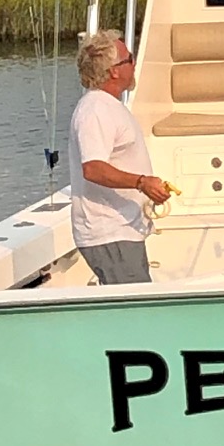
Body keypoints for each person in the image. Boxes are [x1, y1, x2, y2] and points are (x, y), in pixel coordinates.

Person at [68, 30, 172, 285]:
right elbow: (93, 168)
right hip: (109, 234)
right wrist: (142, 182)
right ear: (114, 71)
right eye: (129, 59)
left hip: (122, 232)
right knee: (138, 315)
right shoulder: (95, 110)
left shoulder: (107, 106)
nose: (134, 64)